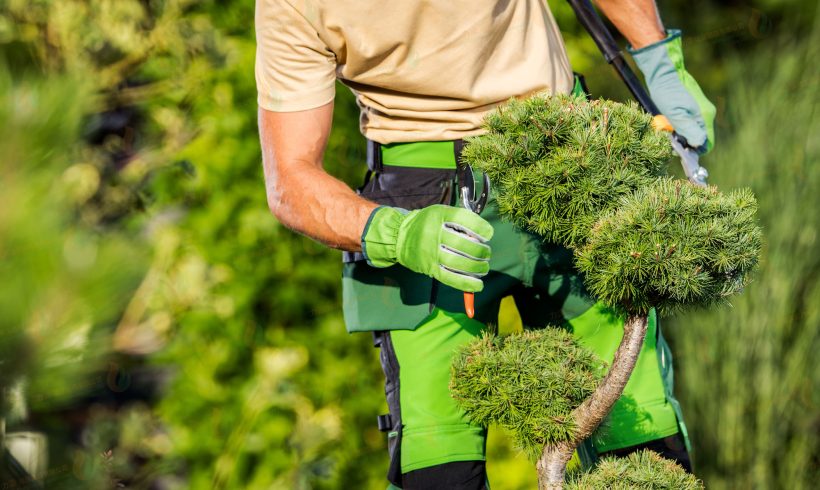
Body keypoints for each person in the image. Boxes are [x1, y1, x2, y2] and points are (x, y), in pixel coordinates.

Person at [255, 1, 715, 488]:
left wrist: (657, 57)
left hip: (570, 166)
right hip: (424, 203)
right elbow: (290, 177)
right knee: (437, 465)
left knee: (641, 440)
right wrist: (396, 234)